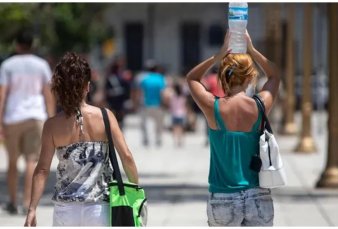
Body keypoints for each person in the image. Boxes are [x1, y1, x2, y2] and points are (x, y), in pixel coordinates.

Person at [24, 52, 139, 226]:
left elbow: (42, 170)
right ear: (87, 86)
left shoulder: (52, 125)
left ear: (59, 88)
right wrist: (135, 189)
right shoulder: (105, 117)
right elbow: (127, 157)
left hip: (66, 208)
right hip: (100, 206)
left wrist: (32, 208)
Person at [186, 30, 280, 226]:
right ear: (250, 79)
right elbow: (274, 75)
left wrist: (218, 55)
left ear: (223, 77)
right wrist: (252, 50)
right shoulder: (259, 105)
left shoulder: (213, 107)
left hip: (223, 197)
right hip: (258, 196)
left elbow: (192, 79)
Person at [0, 30, 55, 214]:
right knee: (32, 160)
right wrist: (51, 118)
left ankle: (13, 201)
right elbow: (48, 94)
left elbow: (2, 94)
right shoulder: (41, 65)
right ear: (33, 45)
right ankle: (27, 203)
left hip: (13, 117)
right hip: (35, 116)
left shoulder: (7, 65)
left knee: (12, 162)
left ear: (17, 45)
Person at [134, 60, 166, 147]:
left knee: (144, 124)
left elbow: (139, 92)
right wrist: (164, 104)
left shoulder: (143, 78)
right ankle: (158, 139)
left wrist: (136, 103)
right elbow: (162, 92)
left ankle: (146, 140)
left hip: (145, 104)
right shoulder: (160, 78)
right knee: (159, 124)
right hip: (158, 104)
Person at [105, 56, 133, 129]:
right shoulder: (122, 77)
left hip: (114, 100)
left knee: (113, 116)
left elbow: (106, 90)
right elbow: (127, 88)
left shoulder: (109, 77)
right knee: (119, 116)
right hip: (120, 100)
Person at [169, 82, 187, 147]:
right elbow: (184, 106)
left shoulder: (172, 96)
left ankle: (175, 141)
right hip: (181, 114)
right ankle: (181, 141)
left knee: (175, 128)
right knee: (181, 128)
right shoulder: (183, 97)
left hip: (174, 114)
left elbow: (171, 106)